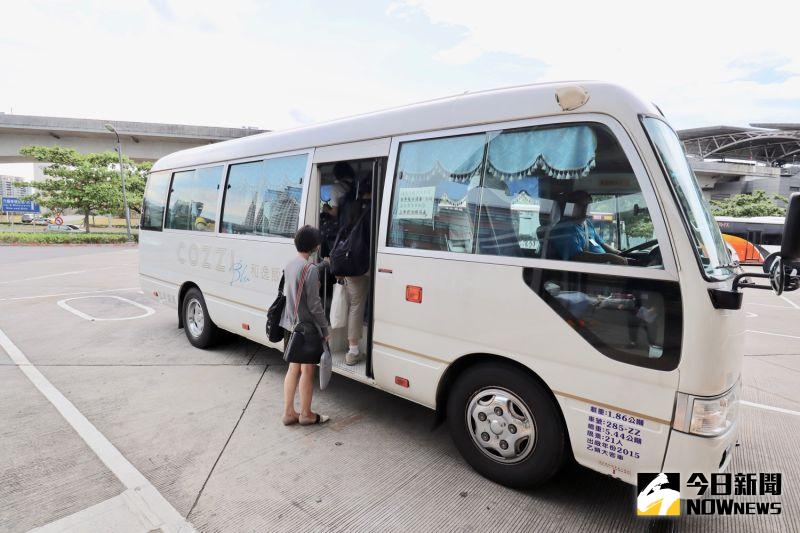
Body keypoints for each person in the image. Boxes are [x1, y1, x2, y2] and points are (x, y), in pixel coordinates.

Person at [280, 225, 331, 426]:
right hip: (308, 327)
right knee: (308, 371)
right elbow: (315, 306)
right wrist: (325, 329)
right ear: (316, 247)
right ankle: (306, 414)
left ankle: (288, 412)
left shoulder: (291, 264)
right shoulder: (309, 270)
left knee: (293, 368)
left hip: (292, 325)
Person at [548, 190, 627, 265]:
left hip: (602, 266)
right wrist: (610, 258)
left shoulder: (587, 223)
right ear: (571, 206)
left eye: (588, 206)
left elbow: (602, 244)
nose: (586, 209)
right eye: (582, 206)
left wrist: (618, 254)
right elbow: (577, 257)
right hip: (585, 274)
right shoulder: (563, 229)